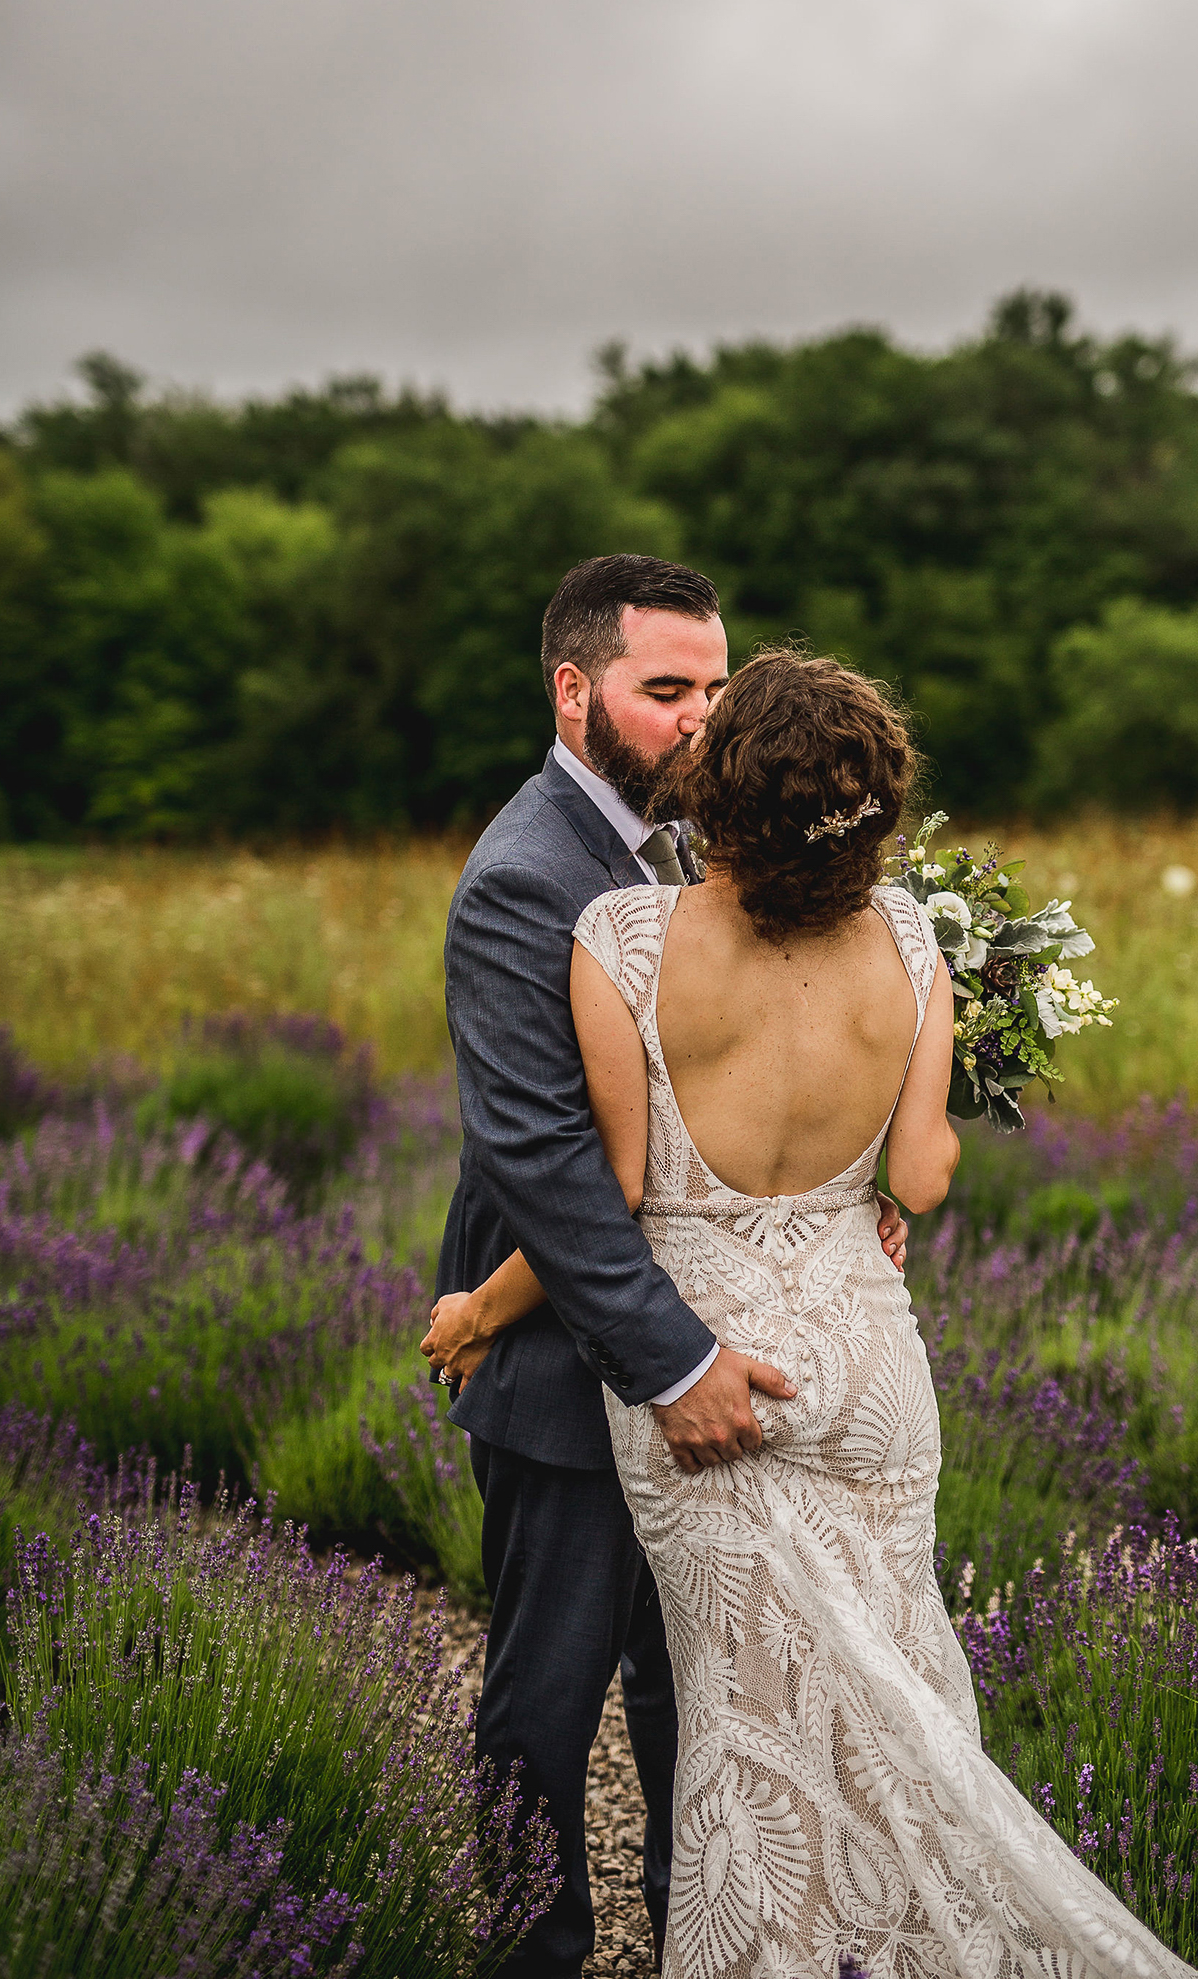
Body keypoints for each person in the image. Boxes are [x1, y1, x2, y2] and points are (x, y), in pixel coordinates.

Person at [456, 649, 1198, 1979]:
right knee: (897, 1702)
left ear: (723, 784)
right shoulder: (916, 940)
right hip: (862, 1364)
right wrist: (874, 1181)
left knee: (749, 1727)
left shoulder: (622, 938)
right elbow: (917, 1176)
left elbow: (611, 1192)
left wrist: (477, 1302)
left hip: (711, 1359)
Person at [420, 563, 909, 1979]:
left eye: (716, 687)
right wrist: (676, 1362)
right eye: (666, 691)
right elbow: (549, 1167)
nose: (703, 719)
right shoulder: (526, 878)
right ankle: (536, 1955)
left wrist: (858, 1177)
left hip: (722, 1334)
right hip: (583, 1357)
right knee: (545, 1692)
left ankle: (712, 1932)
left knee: (699, 1672)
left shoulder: (703, 847)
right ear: (575, 691)